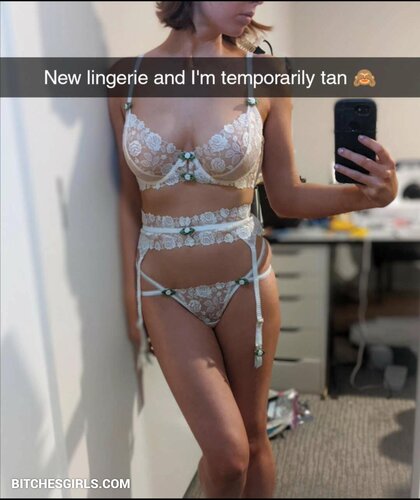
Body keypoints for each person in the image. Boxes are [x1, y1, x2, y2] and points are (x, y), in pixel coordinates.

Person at [108, 2, 398, 497]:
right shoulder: (124, 80)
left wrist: (370, 196)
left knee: (254, 435)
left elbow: (285, 196)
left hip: (247, 285)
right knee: (227, 456)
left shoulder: (265, 74)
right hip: (163, 291)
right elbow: (126, 200)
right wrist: (128, 300)